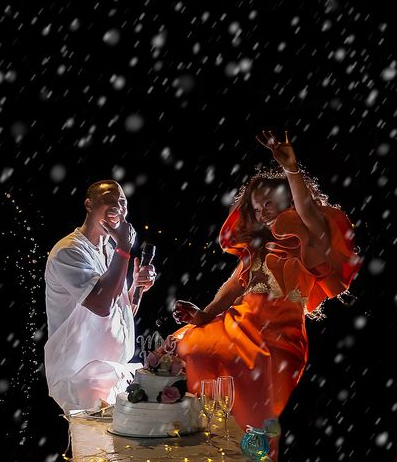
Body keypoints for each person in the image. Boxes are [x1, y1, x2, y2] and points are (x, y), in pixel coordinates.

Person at [172, 131, 360, 450]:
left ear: (289, 201)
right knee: (191, 347)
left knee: (256, 413)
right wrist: (203, 314)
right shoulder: (257, 251)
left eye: (268, 204)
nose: (262, 213)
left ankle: (252, 452)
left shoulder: (309, 242)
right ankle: (212, 445)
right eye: (257, 209)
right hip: (242, 325)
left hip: (280, 338)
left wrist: (291, 170)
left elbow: (310, 213)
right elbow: (232, 289)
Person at [44, 180, 156, 413]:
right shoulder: (69, 251)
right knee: (95, 449)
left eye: (122, 203)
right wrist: (124, 248)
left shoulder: (109, 251)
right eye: (109, 200)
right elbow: (101, 305)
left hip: (110, 378)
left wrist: (137, 287)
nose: (117, 207)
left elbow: (119, 313)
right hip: (80, 380)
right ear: (88, 204)